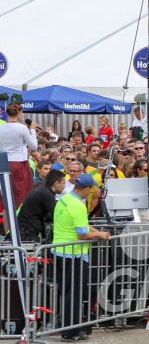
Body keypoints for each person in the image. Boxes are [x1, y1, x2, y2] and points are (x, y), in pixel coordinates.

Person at [52, 173, 110, 342]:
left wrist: (95, 231)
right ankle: (71, 333)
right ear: (87, 189)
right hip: (73, 254)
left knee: (68, 293)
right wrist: (99, 235)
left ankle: (68, 329)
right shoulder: (77, 205)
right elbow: (82, 235)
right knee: (74, 294)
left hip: (60, 251)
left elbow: (83, 225)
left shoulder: (65, 198)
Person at [0, 98, 38, 209]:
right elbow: (34, 146)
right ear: (19, 113)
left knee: (6, 193)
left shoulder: (1, 128)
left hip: (4, 163)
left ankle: (6, 220)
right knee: (22, 193)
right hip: (19, 163)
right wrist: (32, 130)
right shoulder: (22, 128)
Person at [18, 170, 66, 242]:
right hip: (26, 232)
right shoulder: (45, 193)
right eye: (63, 183)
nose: (64, 187)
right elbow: (57, 214)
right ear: (57, 183)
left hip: (27, 230)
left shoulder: (43, 191)